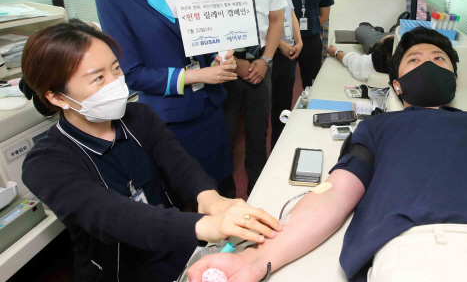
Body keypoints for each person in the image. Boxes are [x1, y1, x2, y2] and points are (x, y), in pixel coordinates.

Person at [187, 27, 467, 282]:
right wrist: (252, 261)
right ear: (395, 85)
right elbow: (336, 193)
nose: (429, 64)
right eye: (415, 60)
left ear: (455, 76)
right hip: (434, 256)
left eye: (439, 58)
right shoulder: (382, 126)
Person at [19, 21, 282, 282]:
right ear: (57, 97)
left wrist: (208, 197)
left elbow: (178, 162)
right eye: (98, 78)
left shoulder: (139, 117)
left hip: (176, 247)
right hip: (121, 271)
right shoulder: (45, 163)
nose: (115, 83)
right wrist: (203, 225)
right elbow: (111, 215)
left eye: (116, 69)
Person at [94, 0, 238, 198]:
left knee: (224, 188)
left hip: (210, 108)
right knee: (186, 201)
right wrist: (198, 75)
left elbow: (206, 44)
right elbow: (132, 73)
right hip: (169, 120)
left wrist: (220, 57)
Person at [183, 0, 286, 194]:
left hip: (261, 65)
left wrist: (266, 60)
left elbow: (277, 17)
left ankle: (259, 198)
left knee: (259, 137)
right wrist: (233, 61)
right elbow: (196, 23)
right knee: (221, 140)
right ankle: (225, 204)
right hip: (224, 69)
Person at [250, 0, 303, 147]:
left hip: (288, 49)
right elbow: (260, 20)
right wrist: (279, 44)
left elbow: (288, 11)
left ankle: (280, 149)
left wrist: (298, 40)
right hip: (270, 51)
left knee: (283, 105)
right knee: (264, 111)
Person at [327, 28, 394, 81]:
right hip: (392, 38)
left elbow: (351, 60)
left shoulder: (369, 67)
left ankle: (373, 28)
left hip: (381, 41)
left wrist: (336, 52)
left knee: (361, 29)